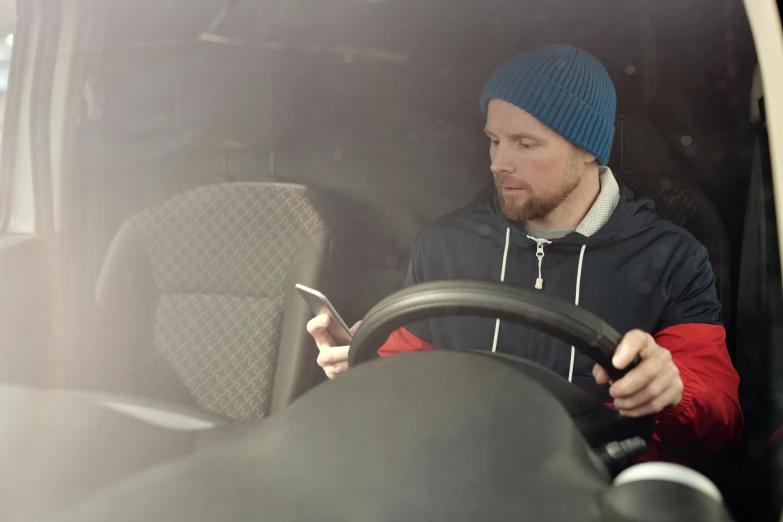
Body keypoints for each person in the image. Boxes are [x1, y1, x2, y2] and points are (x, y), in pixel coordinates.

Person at [307, 44, 743, 463]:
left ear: (588, 147)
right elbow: (409, 376)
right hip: (462, 477)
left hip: (600, 491)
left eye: (524, 143)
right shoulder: (444, 245)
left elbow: (721, 416)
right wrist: (363, 364)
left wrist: (673, 391)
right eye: (494, 140)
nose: (498, 162)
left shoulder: (671, 257)